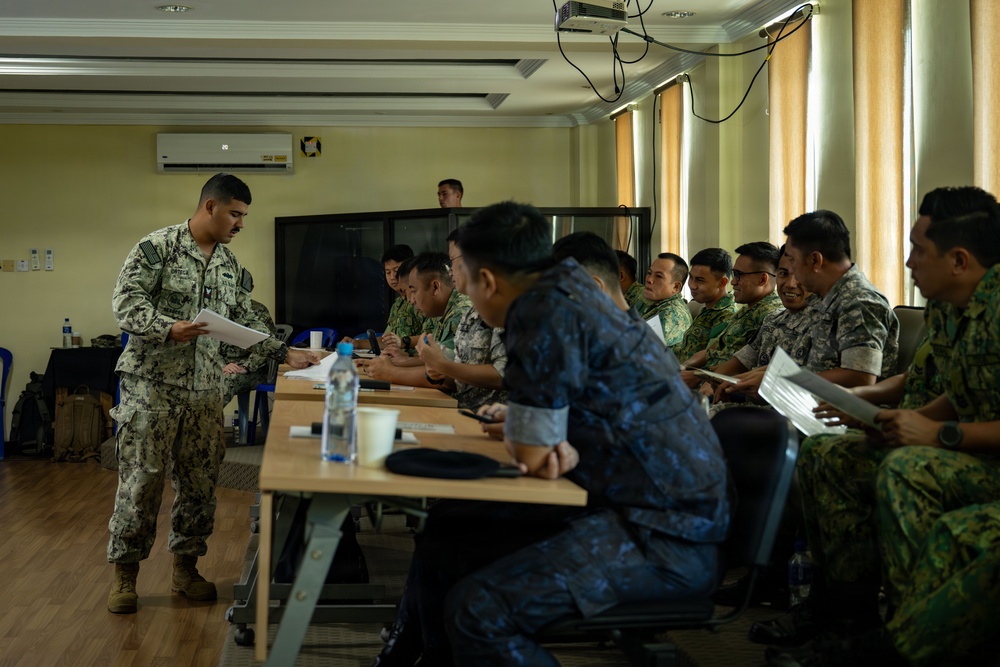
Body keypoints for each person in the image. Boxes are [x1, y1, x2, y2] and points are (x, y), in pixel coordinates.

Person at [372, 201, 729, 666]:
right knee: (447, 527)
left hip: (662, 539)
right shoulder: (568, 300)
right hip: (626, 507)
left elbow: (538, 455)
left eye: (465, 278)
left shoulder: (541, 316)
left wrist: (537, 438)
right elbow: (554, 433)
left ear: (489, 282)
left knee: (481, 611)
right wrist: (539, 434)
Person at [760, 186, 1000, 665]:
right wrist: (889, 416)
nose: (908, 262)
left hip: (978, 455)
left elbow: (957, 414)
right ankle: (846, 615)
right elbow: (957, 390)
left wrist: (937, 434)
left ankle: (908, 638)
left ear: (958, 258)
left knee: (906, 469)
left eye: (918, 250)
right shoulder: (949, 306)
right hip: (960, 446)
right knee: (829, 455)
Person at [106, 173, 318, 615]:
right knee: (141, 482)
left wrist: (284, 353)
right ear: (210, 207)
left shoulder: (230, 267)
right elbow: (126, 303)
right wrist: (167, 327)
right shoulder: (156, 248)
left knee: (200, 484)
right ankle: (125, 575)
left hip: (205, 390)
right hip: (152, 389)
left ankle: (186, 569)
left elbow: (245, 320)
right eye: (235, 214)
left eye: (244, 216)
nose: (241, 224)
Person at [718, 210, 899, 402]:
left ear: (815, 261)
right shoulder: (825, 301)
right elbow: (811, 367)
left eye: (793, 261)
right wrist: (757, 376)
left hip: (842, 418)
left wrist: (777, 381)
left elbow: (861, 377)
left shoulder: (859, 302)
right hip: (804, 407)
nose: (792, 274)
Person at [417, 231, 507, 410]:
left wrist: (443, 365)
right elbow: (461, 378)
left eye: (452, 261)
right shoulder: (472, 311)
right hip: (465, 412)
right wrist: (438, 373)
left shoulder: (503, 307)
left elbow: (504, 375)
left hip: (495, 420)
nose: (449, 272)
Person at [680, 243, 783, 388]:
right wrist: (683, 367)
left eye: (739, 275)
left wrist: (701, 378)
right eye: (734, 274)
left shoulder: (771, 316)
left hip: (723, 390)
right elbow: (713, 350)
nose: (733, 281)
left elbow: (744, 367)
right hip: (707, 380)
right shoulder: (747, 310)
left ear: (762, 280)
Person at [365, 252, 471, 386]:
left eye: (413, 291)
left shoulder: (460, 313)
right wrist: (404, 361)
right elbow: (441, 363)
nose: (411, 300)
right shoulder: (445, 311)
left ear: (435, 287)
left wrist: (391, 372)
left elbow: (446, 374)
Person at [346, 245, 426, 352]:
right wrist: (356, 343)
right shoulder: (397, 305)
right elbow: (387, 341)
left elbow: (432, 338)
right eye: (388, 272)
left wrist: (404, 342)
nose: (392, 277)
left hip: (416, 362)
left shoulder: (421, 301)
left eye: (396, 270)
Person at [672, 247, 737, 362]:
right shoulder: (707, 309)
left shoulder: (727, 317)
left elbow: (710, 362)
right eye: (691, 277)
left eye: (700, 280)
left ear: (722, 283)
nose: (692, 285)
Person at [221, 298, 278, 405]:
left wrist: (246, 367)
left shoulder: (258, 310)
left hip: (253, 369)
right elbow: (207, 343)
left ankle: (207, 420)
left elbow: (268, 346)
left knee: (223, 383)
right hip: (222, 366)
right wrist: (220, 366)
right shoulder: (219, 307)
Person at [638, 252, 692, 347]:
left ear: (675, 287)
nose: (649, 279)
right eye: (649, 273)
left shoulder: (671, 313)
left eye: (659, 276)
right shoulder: (658, 304)